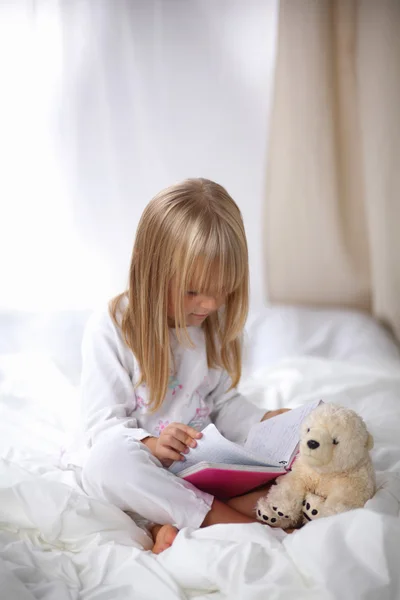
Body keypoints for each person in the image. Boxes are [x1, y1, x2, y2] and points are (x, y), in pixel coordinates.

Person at [80, 178, 289, 554]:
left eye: (222, 289)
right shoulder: (111, 326)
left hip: (199, 473)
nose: (209, 304)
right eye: (193, 291)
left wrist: (269, 421)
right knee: (106, 463)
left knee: (294, 468)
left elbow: (223, 404)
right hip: (141, 470)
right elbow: (102, 427)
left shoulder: (211, 325)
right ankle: (227, 522)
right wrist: (152, 444)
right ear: (151, 269)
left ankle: (172, 524)